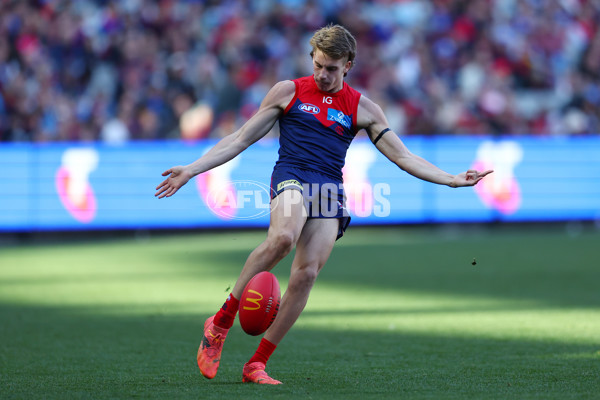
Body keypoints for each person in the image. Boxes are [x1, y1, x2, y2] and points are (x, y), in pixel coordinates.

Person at [155, 24, 493, 385]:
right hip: (293, 174)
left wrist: (453, 179)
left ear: (348, 65)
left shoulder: (364, 108)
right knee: (283, 238)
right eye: (318, 65)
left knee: (306, 275)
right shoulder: (289, 92)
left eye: (332, 68)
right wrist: (191, 170)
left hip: (329, 187)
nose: (323, 74)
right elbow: (240, 138)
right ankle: (220, 322)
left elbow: (403, 157)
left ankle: (256, 365)